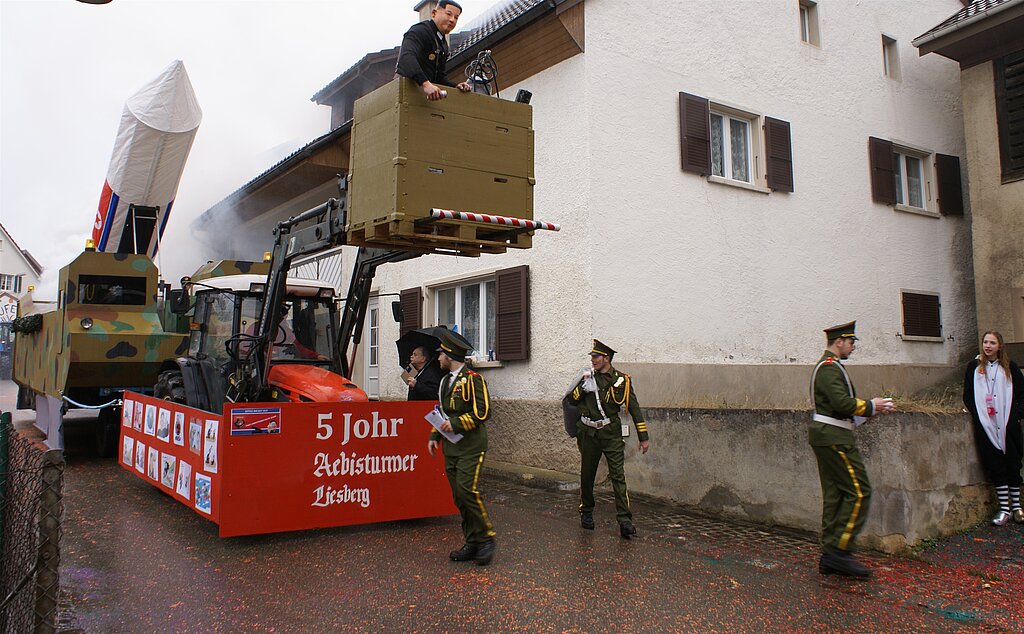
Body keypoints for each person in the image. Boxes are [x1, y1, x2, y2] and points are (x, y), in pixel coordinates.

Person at [809, 321, 895, 579]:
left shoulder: (831, 367)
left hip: (832, 433)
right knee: (859, 491)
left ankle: (830, 553)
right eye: (851, 342)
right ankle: (840, 551)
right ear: (839, 342)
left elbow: (837, 407)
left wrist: (868, 414)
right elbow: (840, 402)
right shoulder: (828, 368)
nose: (853, 347)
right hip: (834, 436)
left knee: (836, 494)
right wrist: (871, 405)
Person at [568, 339, 650, 539]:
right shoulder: (587, 377)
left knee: (618, 476)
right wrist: (583, 388)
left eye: (596, 357)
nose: (593, 360)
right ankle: (586, 512)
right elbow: (571, 399)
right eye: (592, 357)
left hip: (611, 434)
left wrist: (643, 437)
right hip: (589, 434)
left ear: (607, 358)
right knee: (587, 475)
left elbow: (635, 409)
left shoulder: (622, 380)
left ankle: (625, 521)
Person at [427, 331, 496, 565]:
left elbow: (483, 412)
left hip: (471, 445)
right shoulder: (445, 381)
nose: (438, 359)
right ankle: (472, 541)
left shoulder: (473, 379)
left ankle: (486, 537)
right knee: (459, 496)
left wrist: (454, 423)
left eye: (441, 355)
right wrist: (435, 434)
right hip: (452, 447)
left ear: (450, 355)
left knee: (467, 491)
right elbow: (442, 412)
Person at [962, 331, 1024, 526]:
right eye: (985, 342)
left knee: (1013, 463)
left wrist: (1016, 415)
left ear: (999, 346)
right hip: (986, 423)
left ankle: (1017, 507)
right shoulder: (974, 367)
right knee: (995, 465)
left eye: (992, 342)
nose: (988, 346)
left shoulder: (1010, 367)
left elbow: (1022, 394)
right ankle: (1004, 508)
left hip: (1007, 421)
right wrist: (978, 414)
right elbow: (968, 394)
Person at [395, 0, 472, 101]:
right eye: (449, 14)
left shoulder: (444, 44)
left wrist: (456, 86)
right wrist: (425, 84)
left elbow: (439, 76)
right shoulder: (419, 31)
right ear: (434, 13)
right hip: (403, 91)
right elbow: (406, 58)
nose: (452, 20)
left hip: (425, 98)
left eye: (456, 17)